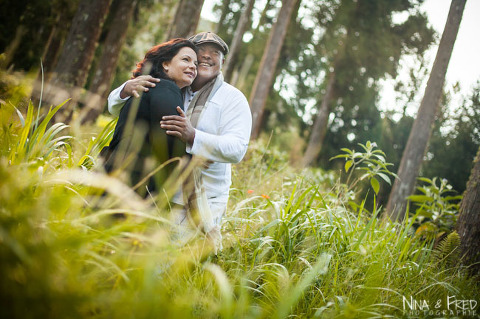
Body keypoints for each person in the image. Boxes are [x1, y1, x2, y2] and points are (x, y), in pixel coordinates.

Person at [108, 32, 252, 243]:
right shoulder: (173, 85)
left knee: (186, 265)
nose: (206, 57)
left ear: (222, 62)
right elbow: (117, 109)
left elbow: (237, 149)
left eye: (215, 53)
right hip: (163, 192)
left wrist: (193, 136)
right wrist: (124, 89)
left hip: (205, 198)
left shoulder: (233, 98)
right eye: (199, 53)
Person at [102, 38, 198, 198]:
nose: (193, 66)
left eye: (195, 63)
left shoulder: (150, 89)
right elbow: (172, 146)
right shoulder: (167, 89)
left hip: (113, 177)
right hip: (132, 186)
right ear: (165, 64)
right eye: (185, 59)